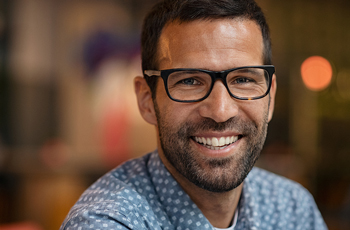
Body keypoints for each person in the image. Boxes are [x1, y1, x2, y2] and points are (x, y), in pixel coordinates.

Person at [60, 0, 328, 229]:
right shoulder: (107, 222)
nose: (221, 111)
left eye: (243, 79)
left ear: (270, 97)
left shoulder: (292, 209)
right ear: (147, 100)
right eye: (189, 81)